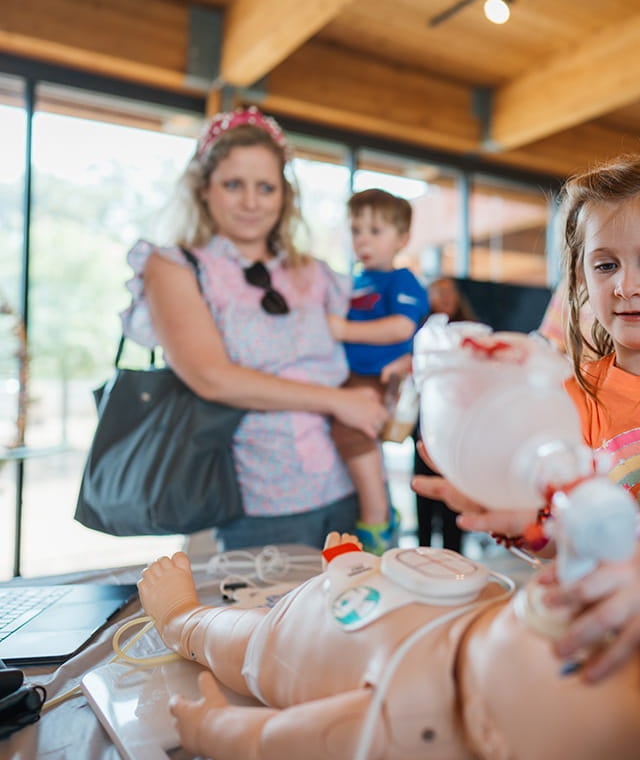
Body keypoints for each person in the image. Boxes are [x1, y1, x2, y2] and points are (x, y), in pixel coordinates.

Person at [415, 154, 640, 684]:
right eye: (606, 264)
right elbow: (577, 532)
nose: (625, 286)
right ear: (580, 276)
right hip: (627, 652)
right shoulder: (572, 392)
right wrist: (530, 528)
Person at [135, 535, 640, 760]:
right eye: (614, 633)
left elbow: (269, 740)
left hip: (283, 637)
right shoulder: (499, 615)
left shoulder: (403, 720)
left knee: (222, 635)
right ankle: (347, 561)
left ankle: (181, 618)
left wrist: (209, 730)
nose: (584, 621)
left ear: (487, 731)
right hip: (374, 581)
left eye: (574, 656)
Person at [122, 106, 389, 551]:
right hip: (255, 504)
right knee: (269, 621)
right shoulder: (176, 267)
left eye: (265, 187)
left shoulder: (315, 272)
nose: (251, 202)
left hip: (348, 488)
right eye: (233, 185)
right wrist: (339, 400)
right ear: (203, 188)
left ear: (284, 196)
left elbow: (359, 351)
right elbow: (211, 376)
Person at [326, 189, 429, 554]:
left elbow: (401, 327)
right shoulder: (355, 281)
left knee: (352, 434)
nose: (363, 240)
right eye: (356, 230)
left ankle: (377, 520)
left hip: (378, 375)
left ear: (401, 239)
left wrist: (343, 330)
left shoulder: (401, 280)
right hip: (351, 373)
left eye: (375, 230)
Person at [411, 277, 477, 553]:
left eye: (450, 293)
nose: (446, 298)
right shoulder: (419, 331)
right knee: (424, 499)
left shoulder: (472, 333)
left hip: (458, 430)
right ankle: (421, 556)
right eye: (439, 293)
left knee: (455, 499)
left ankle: (455, 561)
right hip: (426, 425)